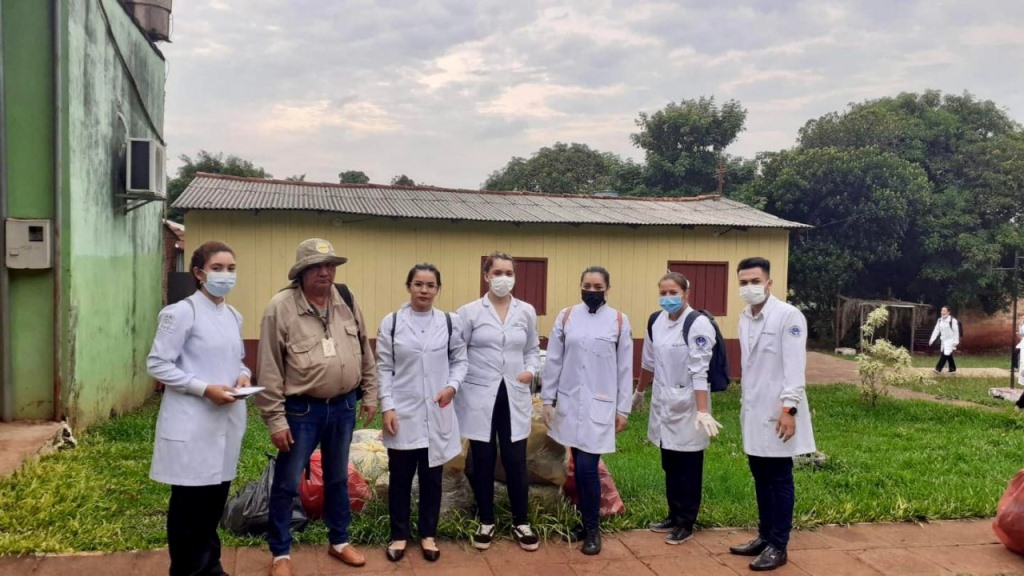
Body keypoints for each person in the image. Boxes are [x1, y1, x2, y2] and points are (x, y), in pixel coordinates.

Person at [255, 238, 378, 576]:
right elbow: (268, 369)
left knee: (337, 478)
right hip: (301, 412)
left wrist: (370, 393)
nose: (325, 272)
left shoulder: (346, 299)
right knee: (287, 482)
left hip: (343, 408)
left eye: (330, 265)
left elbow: (365, 349)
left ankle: (339, 541)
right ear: (302, 271)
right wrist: (275, 420)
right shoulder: (279, 308)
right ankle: (281, 553)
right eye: (317, 266)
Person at [147, 241, 250, 576]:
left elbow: (237, 361)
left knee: (213, 504)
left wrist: (244, 376)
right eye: (217, 268)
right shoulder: (181, 313)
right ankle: (186, 570)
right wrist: (204, 389)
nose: (225, 275)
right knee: (189, 509)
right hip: (193, 424)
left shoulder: (234, 316)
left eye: (231, 269)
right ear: (198, 273)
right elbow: (158, 365)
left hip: (226, 421)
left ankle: (211, 566)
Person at [377, 263, 468, 563]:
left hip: (436, 409)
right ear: (408, 287)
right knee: (400, 479)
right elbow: (384, 369)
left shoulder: (449, 322)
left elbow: (460, 360)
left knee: (432, 478)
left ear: (437, 289)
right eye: (418, 284)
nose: (424, 291)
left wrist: (452, 387)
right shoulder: (391, 323)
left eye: (430, 285)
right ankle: (399, 535)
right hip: (402, 413)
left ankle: (428, 535)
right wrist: (387, 406)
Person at [729, 257, 815, 572]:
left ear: (769, 283)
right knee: (760, 477)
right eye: (743, 282)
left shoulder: (788, 316)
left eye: (754, 281)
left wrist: (789, 409)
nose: (748, 287)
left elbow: (795, 368)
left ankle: (779, 545)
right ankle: (764, 536)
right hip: (753, 411)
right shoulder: (744, 317)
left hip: (779, 412)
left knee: (779, 478)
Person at [541, 266, 633, 556]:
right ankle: (585, 521)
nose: (592, 291)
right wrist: (547, 400)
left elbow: (624, 367)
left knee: (587, 468)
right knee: (578, 466)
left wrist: (623, 409)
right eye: (587, 285)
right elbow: (554, 360)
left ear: (608, 288)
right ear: (580, 286)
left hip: (600, 405)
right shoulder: (567, 316)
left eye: (597, 286)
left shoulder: (618, 321)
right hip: (570, 403)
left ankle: (593, 530)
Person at [455, 253, 542, 552]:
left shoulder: (526, 311)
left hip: (514, 393)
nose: (503, 277)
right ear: (486, 276)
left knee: (516, 459)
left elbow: (533, 348)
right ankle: (486, 521)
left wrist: (531, 370)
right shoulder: (468, 313)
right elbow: (458, 352)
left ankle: (521, 521)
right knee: (483, 459)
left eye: (508, 272)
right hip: (479, 394)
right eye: (497, 272)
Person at [633, 271, 722, 546]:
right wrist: (639, 391)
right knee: (669, 462)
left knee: (688, 464)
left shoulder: (698, 324)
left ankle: (686, 522)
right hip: (663, 401)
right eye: (664, 292)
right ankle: (673, 514)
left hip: (689, 403)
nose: (668, 297)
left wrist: (703, 410)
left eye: (673, 292)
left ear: (686, 293)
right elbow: (648, 361)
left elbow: (700, 370)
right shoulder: (655, 321)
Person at [929, 306, 960, 374]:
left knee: (945, 354)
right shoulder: (940, 320)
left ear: (948, 312)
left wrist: (956, 341)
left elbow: (956, 331)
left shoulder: (952, 321)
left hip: (950, 340)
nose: (942, 312)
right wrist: (932, 339)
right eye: (942, 311)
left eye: (944, 311)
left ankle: (938, 369)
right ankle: (952, 368)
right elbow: (936, 330)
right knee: (948, 354)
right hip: (943, 340)